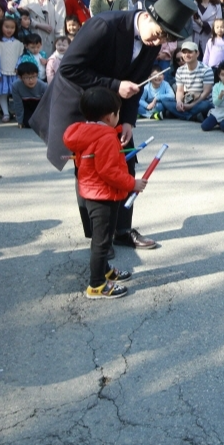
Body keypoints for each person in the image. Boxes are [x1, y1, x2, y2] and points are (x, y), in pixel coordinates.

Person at [31, 0, 197, 253]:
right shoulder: (103, 26)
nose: (158, 42)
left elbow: (137, 82)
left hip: (115, 107)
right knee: (91, 170)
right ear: (147, 16)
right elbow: (70, 68)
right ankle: (100, 238)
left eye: (166, 38)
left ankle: (121, 229)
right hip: (79, 102)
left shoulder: (152, 40)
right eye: (158, 33)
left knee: (126, 163)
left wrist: (129, 120)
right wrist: (115, 84)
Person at [63, 88, 146, 299]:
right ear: (110, 116)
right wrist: (132, 183)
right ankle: (97, 285)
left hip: (92, 193)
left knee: (103, 238)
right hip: (104, 195)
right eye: (118, 113)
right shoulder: (106, 138)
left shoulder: (85, 132)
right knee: (101, 242)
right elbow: (109, 171)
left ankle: (105, 270)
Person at [168, 41, 213, 122]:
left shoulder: (206, 70)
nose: (186, 55)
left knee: (205, 105)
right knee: (166, 101)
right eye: (184, 52)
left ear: (197, 53)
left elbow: (206, 93)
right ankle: (191, 116)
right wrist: (179, 102)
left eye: (190, 52)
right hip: (187, 100)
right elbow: (180, 91)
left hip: (202, 101)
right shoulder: (180, 70)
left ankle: (180, 114)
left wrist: (191, 105)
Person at [0, 16, 23, 122]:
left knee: (16, 93)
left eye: (12, 27)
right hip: (2, 72)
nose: (9, 30)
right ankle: (5, 113)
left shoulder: (18, 43)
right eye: (6, 27)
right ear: (1, 27)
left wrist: (18, 68)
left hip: (15, 73)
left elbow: (20, 57)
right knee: (2, 93)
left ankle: (17, 112)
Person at [11, 62, 47, 128]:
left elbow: (47, 104)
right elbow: (18, 104)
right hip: (26, 106)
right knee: (28, 123)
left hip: (39, 106)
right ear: (20, 77)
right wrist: (20, 121)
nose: (31, 80)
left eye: (34, 76)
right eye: (27, 77)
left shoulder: (43, 86)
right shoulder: (16, 86)